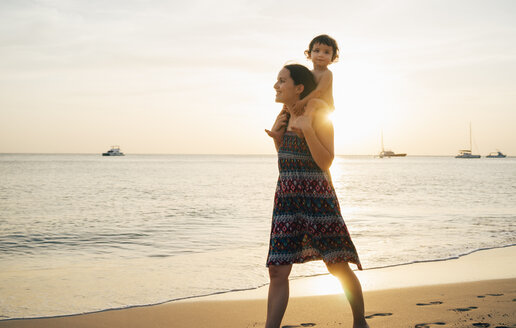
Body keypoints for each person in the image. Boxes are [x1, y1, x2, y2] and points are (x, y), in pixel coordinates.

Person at [264, 64, 369, 328]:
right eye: (276, 80)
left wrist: (308, 129)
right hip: (287, 199)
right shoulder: (283, 116)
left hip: (317, 200)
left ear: (299, 88)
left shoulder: (319, 113)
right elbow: (288, 159)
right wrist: (277, 138)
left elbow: (325, 162)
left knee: (337, 265)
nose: (276, 85)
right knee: (277, 269)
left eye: (281, 81)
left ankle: (359, 322)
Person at [265, 34, 338, 142]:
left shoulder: (327, 74)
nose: (321, 55)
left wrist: (302, 102)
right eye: (317, 51)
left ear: (332, 58)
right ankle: (279, 132)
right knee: (287, 106)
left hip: (324, 105)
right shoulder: (309, 73)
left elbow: (319, 91)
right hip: (309, 104)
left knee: (312, 102)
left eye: (326, 52)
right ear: (309, 54)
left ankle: (303, 128)